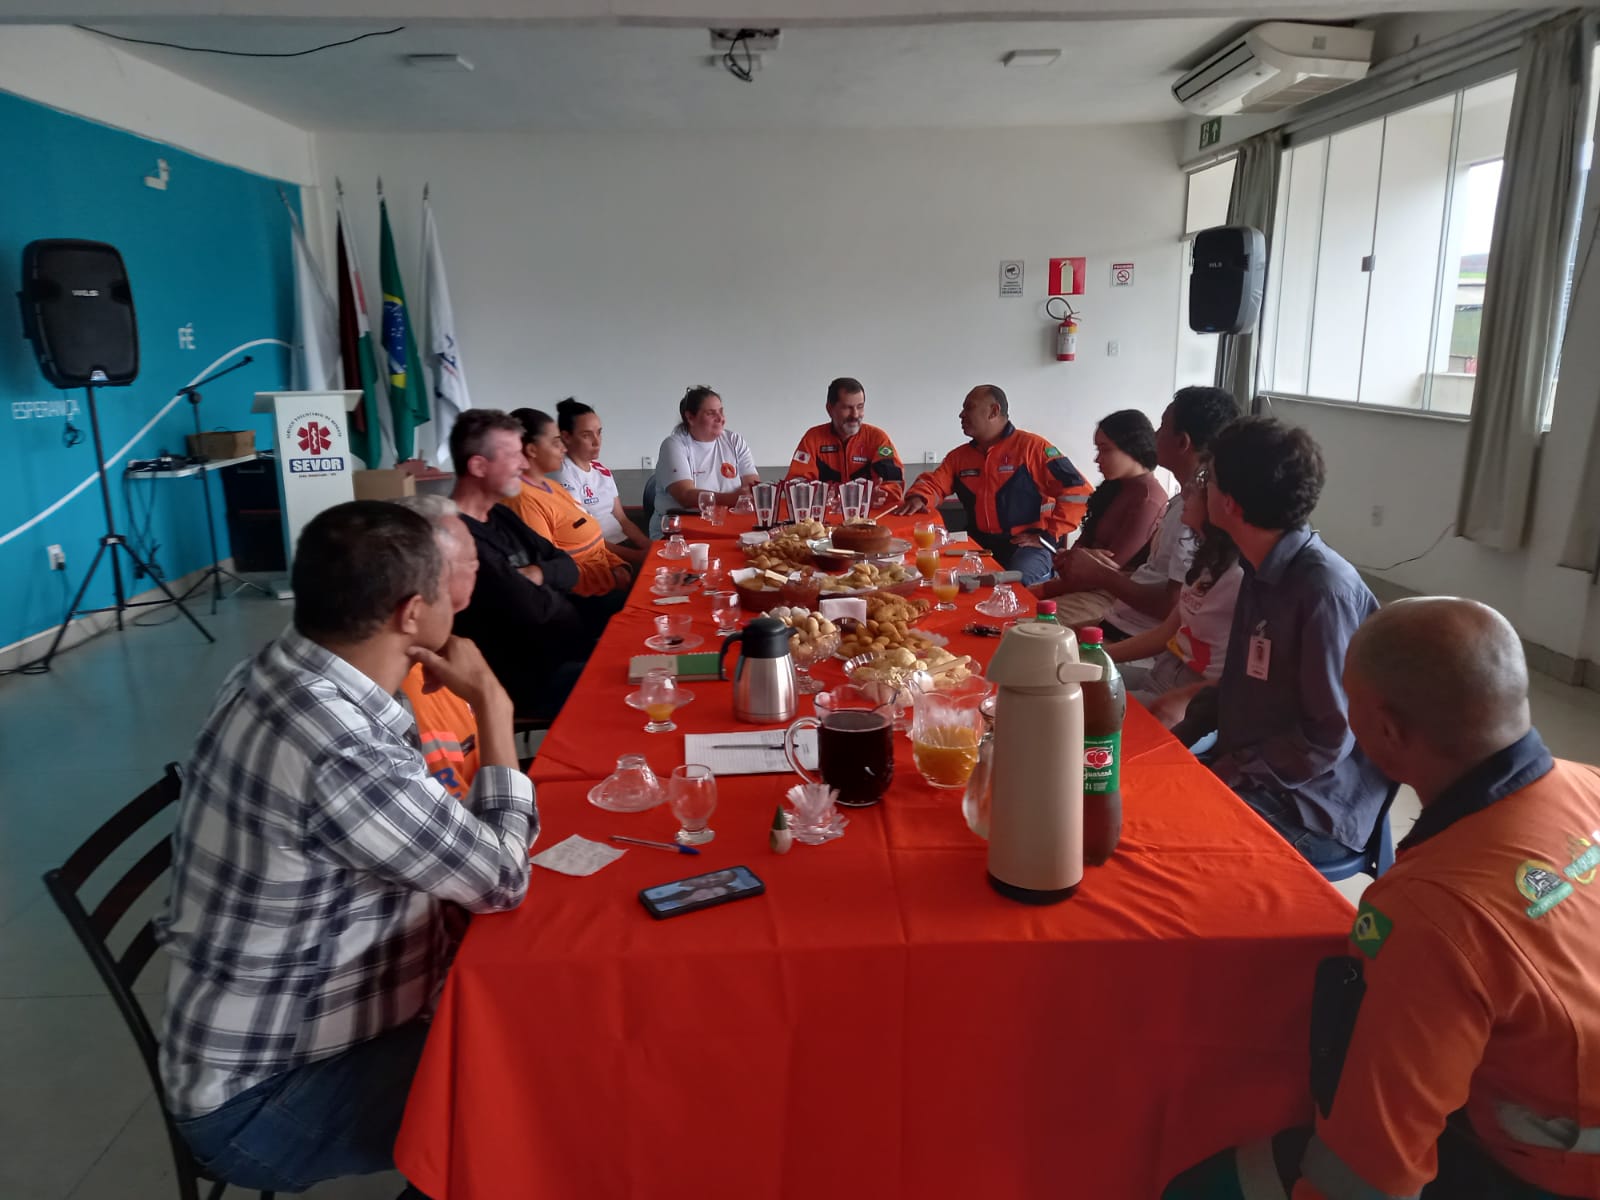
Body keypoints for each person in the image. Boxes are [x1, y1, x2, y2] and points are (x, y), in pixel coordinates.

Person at [156, 500, 536, 1196]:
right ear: (412, 614)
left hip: (257, 1043)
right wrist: (492, 705)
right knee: (537, 1078)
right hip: (264, 1100)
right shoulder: (339, 747)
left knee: (522, 1017)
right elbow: (504, 876)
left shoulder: (276, 669)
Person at [1165, 598, 1600, 1200]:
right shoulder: (1588, 784)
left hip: (1545, 1169)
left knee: (1197, 1184)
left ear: (1388, 731)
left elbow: (1368, 1173)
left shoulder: (1433, 912)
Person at [1175, 417, 1389, 865]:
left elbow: (1329, 737)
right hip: (1259, 772)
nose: (1201, 488)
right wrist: (1178, 738)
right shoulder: (1260, 569)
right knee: (1141, 788)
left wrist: (1233, 769)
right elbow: (1244, 686)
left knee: (1171, 841)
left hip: (1313, 804)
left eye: (1209, 479)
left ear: (1230, 504)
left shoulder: (1322, 590)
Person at [1049, 386, 1238, 641]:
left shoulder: (1190, 514)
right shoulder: (1178, 502)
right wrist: (1098, 567)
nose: (1155, 435)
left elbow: (1172, 603)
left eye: (1162, 427)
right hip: (1118, 619)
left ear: (1182, 442)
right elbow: (1154, 576)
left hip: (1130, 632)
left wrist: (1101, 574)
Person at [449, 408, 594, 720]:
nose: (524, 463)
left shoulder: (500, 514)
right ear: (478, 466)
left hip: (571, 652)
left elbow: (568, 566)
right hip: (533, 682)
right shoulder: (458, 537)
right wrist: (550, 579)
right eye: (513, 455)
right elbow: (533, 609)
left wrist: (538, 573)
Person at [892, 384, 1092, 585]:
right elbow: (934, 483)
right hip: (979, 543)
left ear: (994, 411)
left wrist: (1047, 536)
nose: (961, 415)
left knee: (1014, 587)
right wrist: (919, 497)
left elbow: (1079, 492)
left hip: (1026, 546)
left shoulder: (1033, 448)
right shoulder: (959, 457)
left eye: (969, 407)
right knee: (939, 578)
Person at [1104, 471, 1242, 727]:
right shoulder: (1208, 562)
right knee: (1073, 680)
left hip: (1185, 701)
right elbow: (1165, 634)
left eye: (1199, 487)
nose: (1186, 492)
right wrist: (1096, 655)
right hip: (1159, 677)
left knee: (1080, 708)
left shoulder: (1239, 576)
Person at [1032, 408, 1170, 624]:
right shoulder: (1113, 487)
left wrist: (1044, 588)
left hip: (1107, 594)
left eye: (1105, 450)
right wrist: (1075, 559)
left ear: (1132, 448)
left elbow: (1104, 572)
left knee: (1025, 623)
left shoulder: (1149, 499)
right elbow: (1082, 551)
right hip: (1077, 584)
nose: (1097, 459)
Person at [395, 494, 482, 802]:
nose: (478, 568)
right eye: (469, 560)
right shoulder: (410, 694)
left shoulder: (445, 656)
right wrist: (493, 705)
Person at [504, 406, 633, 598]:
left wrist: (618, 565)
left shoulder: (550, 486)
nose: (563, 449)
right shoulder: (523, 500)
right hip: (588, 595)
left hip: (609, 577)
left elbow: (594, 542)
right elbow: (550, 570)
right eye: (556, 443)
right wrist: (611, 577)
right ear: (531, 450)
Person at [650, 385, 760, 537]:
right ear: (690, 418)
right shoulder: (674, 445)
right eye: (711, 413)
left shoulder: (734, 441)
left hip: (726, 524)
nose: (721, 419)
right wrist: (733, 499)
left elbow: (752, 485)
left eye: (721, 411)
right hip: (678, 531)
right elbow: (685, 496)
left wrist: (745, 494)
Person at [554, 397, 650, 567]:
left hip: (623, 544)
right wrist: (636, 557)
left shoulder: (601, 470)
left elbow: (622, 519)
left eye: (599, 432)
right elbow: (584, 538)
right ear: (566, 437)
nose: (597, 442)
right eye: (586, 435)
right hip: (598, 554)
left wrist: (649, 547)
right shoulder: (563, 476)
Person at [783, 376, 905, 503]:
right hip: (824, 514)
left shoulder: (878, 439)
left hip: (869, 513)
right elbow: (795, 484)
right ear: (830, 409)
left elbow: (894, 484)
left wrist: (880, 494)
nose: (855, 415)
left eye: (860, 407)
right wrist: (829, 495)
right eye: (847, 408)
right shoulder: (813, 438)